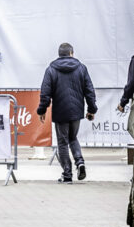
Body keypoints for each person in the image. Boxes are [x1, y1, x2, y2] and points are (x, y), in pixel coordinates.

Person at [37, 42, 98, 183]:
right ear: (71, 53)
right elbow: (89, 91)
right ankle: (80, 162)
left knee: (63, 142)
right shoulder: (81, 68)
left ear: (59, 54)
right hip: (76, 110)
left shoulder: (51, 69)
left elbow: (45, 93)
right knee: (73, 138)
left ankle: (67, 174)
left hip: (60, 111)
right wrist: (91, 109)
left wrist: (42, 110)